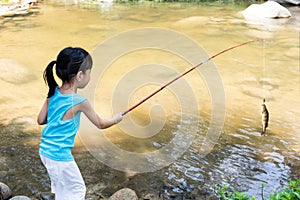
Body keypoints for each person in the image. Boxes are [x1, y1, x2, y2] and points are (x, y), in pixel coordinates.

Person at [37, 47, 123, 200]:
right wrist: (116, 119)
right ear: (80, 75)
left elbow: (41, 120)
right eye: (89, 72)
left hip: (45, 151)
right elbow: (101, 124)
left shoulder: (53, 92)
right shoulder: (80, 101)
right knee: (77, 190)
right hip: (59, 155)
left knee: (64, 190)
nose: (90, 76)